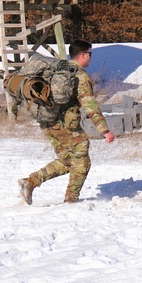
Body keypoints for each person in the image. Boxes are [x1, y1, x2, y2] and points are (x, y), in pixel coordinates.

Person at [18, 40, 115, 205]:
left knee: (68, 161)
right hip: (65, 126)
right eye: (90, 54)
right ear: (83, 55)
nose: (90, 58)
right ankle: (71, 201)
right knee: (82, 162)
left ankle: (30, 182)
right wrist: (104, 130)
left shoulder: (57, 69)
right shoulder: (79, 75)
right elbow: (88, 103)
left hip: (47, 122)